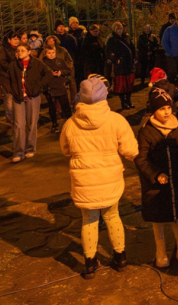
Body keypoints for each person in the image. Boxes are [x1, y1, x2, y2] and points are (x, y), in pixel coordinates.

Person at [60, 77, 139, 279]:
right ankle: (120, 257)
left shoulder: (70, 124)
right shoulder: (116, 120)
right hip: (110, 178)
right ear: (105, 95)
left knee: (89, 219)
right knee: (112, 215)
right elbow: (130, 150)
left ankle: (90, 263)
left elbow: (65, 150)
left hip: (84, 181)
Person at [135, 88, 178, 268]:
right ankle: (160, 251)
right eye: (162, 109)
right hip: (155, 186)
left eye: (168, 107)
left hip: (173, 182)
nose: (167, 111)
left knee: (176, 215)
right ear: (154, 110)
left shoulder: (176, 127)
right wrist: (155, 174)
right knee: (158, 218)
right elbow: (140, 158)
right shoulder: (146, 131)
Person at [7, 43, 53, 162]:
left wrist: (39, 86)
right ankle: (18, 152)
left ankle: (30, 149)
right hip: (18, 97)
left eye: (22, 50)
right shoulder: (13, 65)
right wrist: (10, 89)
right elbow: (6, 78)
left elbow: (48, 73)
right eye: (18, 51)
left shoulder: (37, 63)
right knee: (18, 125)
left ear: (28, 52)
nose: (20, 52)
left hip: (33, 97)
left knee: (32, 123)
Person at [105, 22, 136, 110]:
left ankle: (129, 100)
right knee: (122, 85)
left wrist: (134, 58)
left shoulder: (126, 37)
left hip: (129, 63)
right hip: (120, 65)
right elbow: (108, 52)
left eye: (120, 29)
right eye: (117, 29)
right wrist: (116, 59)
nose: (119, 31)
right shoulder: (112, 40)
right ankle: (123, 102)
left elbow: (132, 48)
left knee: (129, 83)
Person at [41, 46, 72, 133]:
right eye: (49, 53)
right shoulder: (43, 62)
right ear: (45, 53)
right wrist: (49, 74)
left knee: (65, 105)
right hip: (49, 87)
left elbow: (68, 70)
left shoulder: (60, 61)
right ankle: (54, 124)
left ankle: (69, 122)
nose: (51, 55)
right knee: (52, 107)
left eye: (53, 53)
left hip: (60, 86)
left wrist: (61, 72)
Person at [0, 31, 21, 122]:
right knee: (9, 97)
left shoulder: (20, 49)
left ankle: (18, 116)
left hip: (17, 76)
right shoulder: (3, 49)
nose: (17, 41)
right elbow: (1, 62)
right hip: (6, 76)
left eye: (18, 39)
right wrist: (12, 67)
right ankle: (10, 117)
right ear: (9, 40)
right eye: (14, 39)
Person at [46, 34, 76, 104]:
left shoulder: (62, 50)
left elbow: (69, 61)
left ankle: (73, 103)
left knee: (71, 85)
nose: (51, 42)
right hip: (52, 77)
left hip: (64, 73)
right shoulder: (45, 51)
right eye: (49, 41)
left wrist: (65, 69)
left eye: (52, 41)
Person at [161, 16, 178, 84]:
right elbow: (164, 42)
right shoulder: (169, 30)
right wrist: (170, 52)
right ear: (177, 21)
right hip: (171, 56)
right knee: (172, 72)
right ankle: (171, 86)